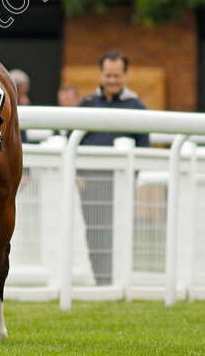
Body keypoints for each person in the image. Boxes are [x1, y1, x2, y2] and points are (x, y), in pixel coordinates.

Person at [78, 50, 149, 286]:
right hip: (90, 182)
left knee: (117, 231)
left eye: (117, 76)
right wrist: (77, 175)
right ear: (101, 74)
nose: (112, 80)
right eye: (108, 75)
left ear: (125, 75)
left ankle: (118, 280)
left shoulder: (137, 106)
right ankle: (103, 281)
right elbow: (71, 140)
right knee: (95, 232)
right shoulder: (87, 103)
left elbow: (143, 148)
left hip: (120, 184)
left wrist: (132, 180)